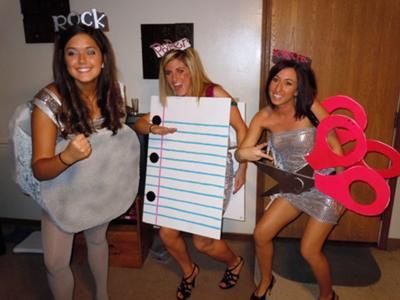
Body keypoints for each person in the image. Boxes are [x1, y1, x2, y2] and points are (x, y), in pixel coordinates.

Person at [30, 24, 139, 300]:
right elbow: (40, 169)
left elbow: (118, 132)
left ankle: (101, 295)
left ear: (103, 58)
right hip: (61, 189)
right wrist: (67, 157)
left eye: (90, 52)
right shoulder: (49, 101)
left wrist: (144, 124)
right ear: (63, 60)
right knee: (54, 263)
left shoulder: (113, 90)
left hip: (98, 186)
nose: (82, 61)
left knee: (96, 239)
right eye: (72, 53)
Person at [134, 47, 248, 299]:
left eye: (181, 71)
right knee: (166, 232)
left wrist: (243, 167)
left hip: (212, 174)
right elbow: (140, 124)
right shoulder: (169, 102)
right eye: (169, 73)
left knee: (202, 241)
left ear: (192, 71)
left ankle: (235, 262)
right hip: (181, 172)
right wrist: (152, 128)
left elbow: (242, 128)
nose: (175, 79)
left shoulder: (213, 93)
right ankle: (189, 271)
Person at [235, 55, 343, 300]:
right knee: (261, 234)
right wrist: (244, 153)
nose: (278, 88)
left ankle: (327, 295)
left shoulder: (311, 107)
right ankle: (266, 280)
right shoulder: (263, 117)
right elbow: (241, 153)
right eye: (275, 80)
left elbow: (337, 147)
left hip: (326, 186)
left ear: (297, 90)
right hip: (294, 186)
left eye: (288, 83)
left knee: (309, 250)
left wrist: (340, 189)